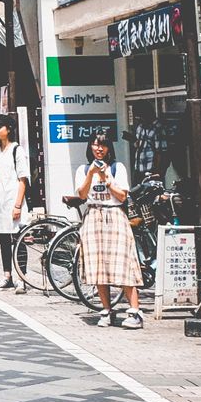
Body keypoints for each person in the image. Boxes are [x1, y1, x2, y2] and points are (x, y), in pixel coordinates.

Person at [75, 134, 144, 328]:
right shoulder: (83, 169)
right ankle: (106, 310)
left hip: (115, 216)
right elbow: (81, 194)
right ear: (90, 147)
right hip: (93, 216)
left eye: (103, 145)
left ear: (108, 148)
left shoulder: (117, 167)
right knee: (98, 265)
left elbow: (122, 196)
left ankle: (135, 312)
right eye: (95, 144)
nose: (99, 149)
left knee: (124, 263)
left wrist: (107, 178)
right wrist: (91, 174)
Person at [0, 121, 31, 291]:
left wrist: (18, 205)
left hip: (14, 200)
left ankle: (22, 277)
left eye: (0, 127)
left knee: (19, 239)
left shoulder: (16, 150)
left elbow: (23, 179)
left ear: (9, 129)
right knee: (4, 240)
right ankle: (7, 275)